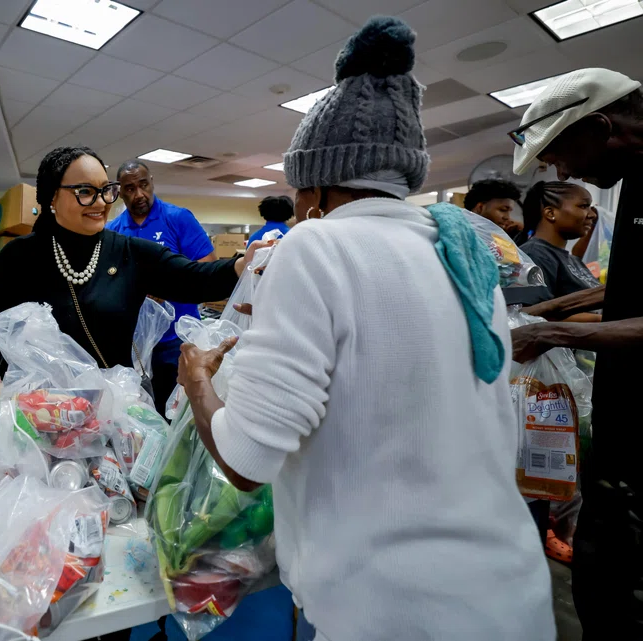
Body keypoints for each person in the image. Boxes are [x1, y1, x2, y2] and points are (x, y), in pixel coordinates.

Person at [176, 17, 554, 641]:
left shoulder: (315, 246)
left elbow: (247, 460)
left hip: (391, 609)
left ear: (316, 186)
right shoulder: (462, 251)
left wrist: (196, 382)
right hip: (508, 590)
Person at [511, 68, 643, 639]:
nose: (562, 173)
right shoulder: (632, 182)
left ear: (600, 126)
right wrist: (543, 315)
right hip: (619, 448)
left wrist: (551, 335)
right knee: (598, 590)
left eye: (562, 154)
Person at [0, 146, 262, 380]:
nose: (100, 202)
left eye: (104, 190)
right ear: (51, 197)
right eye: (85, 191)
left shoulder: (128, 252)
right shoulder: (19, 258)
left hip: (112, 416)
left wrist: (241, 264)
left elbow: (196, 278)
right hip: (38, 416)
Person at [105, 160, 217, 412]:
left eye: (143, 185)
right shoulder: (113, 231)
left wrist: (164, 287)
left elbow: (206, 267)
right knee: (141, 413)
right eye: (130, 189)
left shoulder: (177, 218)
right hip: (135, 343)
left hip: (178, 338)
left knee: (179, 412)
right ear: (119, 192)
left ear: (152, 182)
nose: (139, 194)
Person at [518, 181, 599, 299]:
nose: (592, 215)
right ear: (550, 213)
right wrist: (600, 318)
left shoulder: (573, 260)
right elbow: (532, 313)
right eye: (583, 206)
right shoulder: (534, 255)